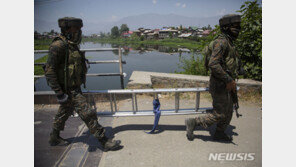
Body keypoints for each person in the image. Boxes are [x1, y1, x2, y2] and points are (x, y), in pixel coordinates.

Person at [45, 17, 121, 151]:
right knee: (88, 113)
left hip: (74, 87)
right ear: (68, 28)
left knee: (63, 113)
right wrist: (59, 93)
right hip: (68, 90)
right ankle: (103, 141)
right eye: (77, 29)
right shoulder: (58, 45)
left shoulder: (70, 44)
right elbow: (49, 70)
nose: (79, 32)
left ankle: (54, 137)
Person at [185, 14, 242, 142]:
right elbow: (213, 64)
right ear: (226, 28)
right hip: (220, 84)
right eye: (235, 27)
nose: (238, 30)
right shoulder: (221, 42)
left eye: (239, 27)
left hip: (227, 83)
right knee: (220, 113)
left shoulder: (229, 42)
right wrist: (228, 80)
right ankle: (193, 122)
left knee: (229, 112)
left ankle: (219, 133)